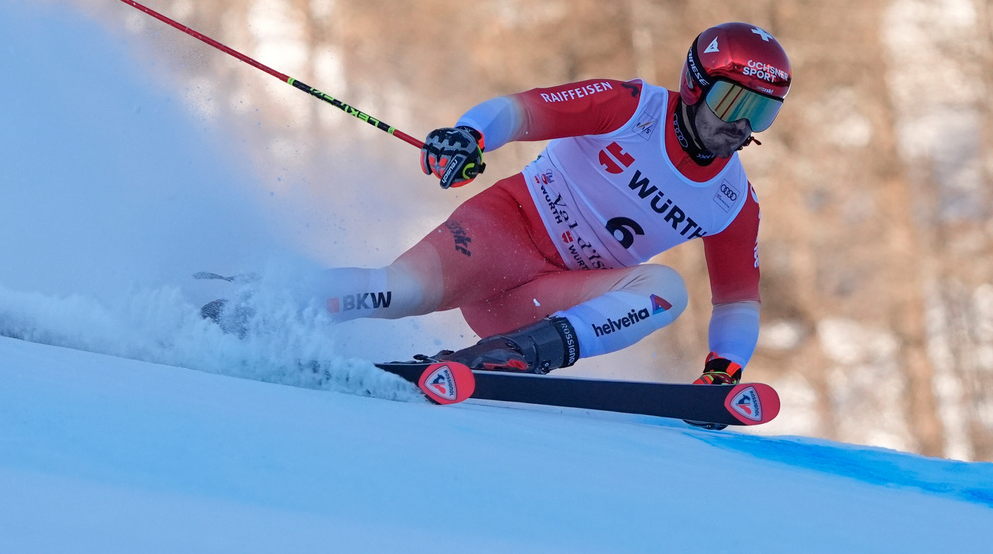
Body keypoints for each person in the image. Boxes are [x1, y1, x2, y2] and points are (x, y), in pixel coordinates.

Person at [215, 22, 791, 392]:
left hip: (543, 303)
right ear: (695, 85)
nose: (742, 125)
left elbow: (738, 300)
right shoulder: (631, 107)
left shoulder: (732, 201)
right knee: (399, 292)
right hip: (503, 233)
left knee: (667, 290)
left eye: (761, 113)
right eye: (732, 101)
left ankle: (511, 356)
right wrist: (470, 136)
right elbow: (522, 110)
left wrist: (724, 368)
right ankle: (250, 309)